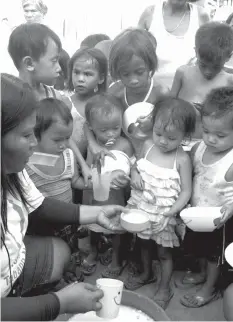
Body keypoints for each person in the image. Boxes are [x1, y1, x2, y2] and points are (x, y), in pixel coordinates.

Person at [1, 73, 127, 321]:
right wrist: (58, 303)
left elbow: (38, 205)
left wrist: (96, 213)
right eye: (26, 135)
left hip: (10, 272)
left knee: (60, 251)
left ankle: (19, 294)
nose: (35, 143)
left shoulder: (11, 171)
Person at [124, 97, 196, 310]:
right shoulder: (147, 145)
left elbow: (186, 192)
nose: (163, 141)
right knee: (144, 244)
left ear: (185, 136)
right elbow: (136, 166)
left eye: (171, 137)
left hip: (165, 215)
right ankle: (146, 273)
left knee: (164, 253)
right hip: (142, 209)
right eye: (158, 133)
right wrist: (134, 173)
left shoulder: (182, 159)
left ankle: (164, 287)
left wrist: (170, 214)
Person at [8, 22, 91, 191]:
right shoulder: (9, 101)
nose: (60, 68)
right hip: (20, 183)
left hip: (56, 179)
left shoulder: (57, 98)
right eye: (54, 61)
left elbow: (64, 137)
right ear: (30, 63)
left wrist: (82, 164)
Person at [180, 87, 233, 308]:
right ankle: (201, 274)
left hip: (220, 220)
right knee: (198, 248)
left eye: (220, 135)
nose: (211, 139)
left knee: (214, 256)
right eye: (206, 130)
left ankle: (209, 288)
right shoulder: (199, 148)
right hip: (196, 214)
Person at [86, 28, 169, 160]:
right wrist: (92, 144)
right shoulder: (115, 92)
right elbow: (90, 121)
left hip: (155, 155)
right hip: (124, 155)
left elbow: (175, 126)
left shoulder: (160, 93)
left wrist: (154, 122)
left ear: (150, 65)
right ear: (117, 72)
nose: (133, 80)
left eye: (140, 72)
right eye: (125, 74)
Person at [26, 98, 91, 257]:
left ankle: (71, 270)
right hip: (41, 225)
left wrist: (92, 184)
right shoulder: (27, 162)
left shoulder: (68, 156)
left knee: (70, 249)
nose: (63, 145)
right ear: (36, 134)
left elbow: (75, 182)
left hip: (67, 220)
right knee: (49, 254)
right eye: (57, 140)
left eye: (67, 138)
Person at [81, 94, 133, 277]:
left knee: (117, 229)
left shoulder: (125, 145)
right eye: (104, 130)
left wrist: (127, 180)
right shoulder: (92, 147)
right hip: (96, 195)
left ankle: (116, 258)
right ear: (91, 128)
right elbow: (89, 171)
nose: (111, 134)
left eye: (116, 128)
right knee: (94, 226)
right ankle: (94, 251)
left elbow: (132, 168)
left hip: (117, 197)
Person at [170, 21, 233, 141]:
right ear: (195, 52)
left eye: (215, 67)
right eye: (203, 65)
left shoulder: (229, 81)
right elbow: (169, 105)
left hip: (209, 143)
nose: (208, 71)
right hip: (179, 139)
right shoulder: (183, 73)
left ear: (229, 56)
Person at [138, 0, 210, 89]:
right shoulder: (151, 12)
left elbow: (211, 53)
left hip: (189, 91)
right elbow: (135, 48)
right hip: (153, 91)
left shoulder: (201, 14)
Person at [67, 47, 108, 158]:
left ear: (101, 78)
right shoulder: (66, 102)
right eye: (76, 72)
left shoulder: (104, 105)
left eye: (87, 74)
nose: (80, 79)